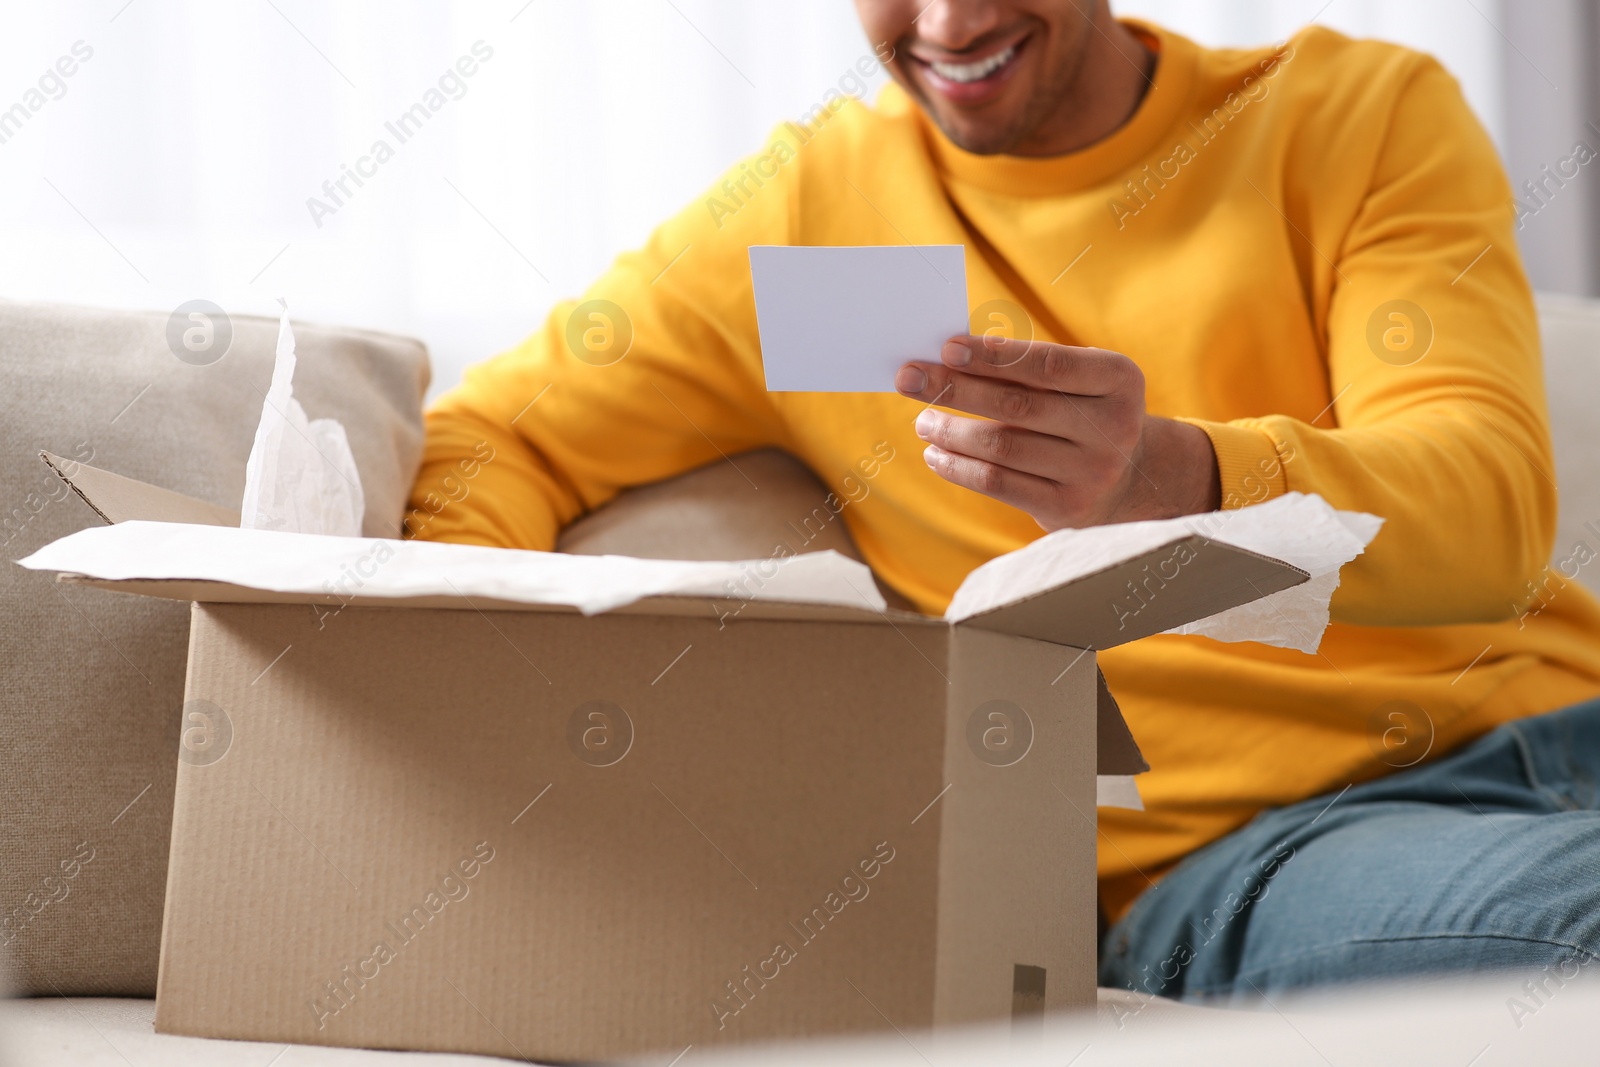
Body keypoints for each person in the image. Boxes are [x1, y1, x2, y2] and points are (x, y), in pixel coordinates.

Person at [409, 0, 1600, 1002]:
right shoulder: (808, 236)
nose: (948, 24)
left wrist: (1175, 477)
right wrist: (477, 701)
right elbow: (488, 441)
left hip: (1568, 735)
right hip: (1272, 849)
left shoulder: (1347, 116)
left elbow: (1488, 515)